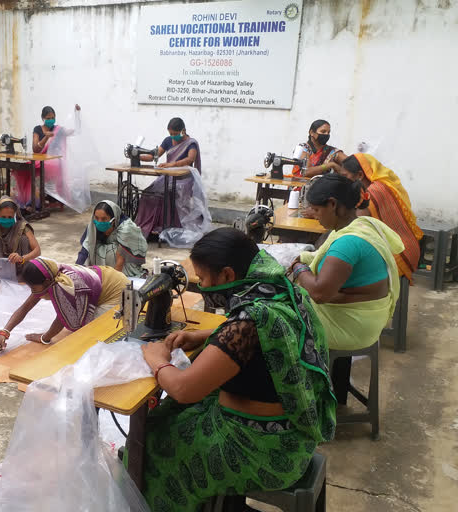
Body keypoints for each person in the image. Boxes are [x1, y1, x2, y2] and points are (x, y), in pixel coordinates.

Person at [137, 228, 336, 508]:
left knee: (148, 449)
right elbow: (267, 335)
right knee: (164, 420)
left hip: (259, 449)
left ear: (228, 275)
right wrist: (206, 334)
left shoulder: (247, 322)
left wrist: (157, 360)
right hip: (291, 437)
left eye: (204, 279)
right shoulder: (278, 290)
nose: (202, 286)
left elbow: (184, 389)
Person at [290, 174, 404, 404]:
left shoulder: (348, 242)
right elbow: (330, 262)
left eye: (316, 209)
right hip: (366, 316)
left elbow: (320, 293)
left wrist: (301, 268)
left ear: (333, 204)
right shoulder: (362, 223)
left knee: (272, 323)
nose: (314, 215)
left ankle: (294, 402)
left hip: (352, 325)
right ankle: (330, 392)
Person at [0, 257, 129, 350]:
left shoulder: (63, 286)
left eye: (33, 287)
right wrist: (4, 332)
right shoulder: (48, 275)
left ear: (46, 283)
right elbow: (25, 307)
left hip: (119, 292)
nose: (32, 291)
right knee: (76, 323)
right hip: (108, 281)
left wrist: (44, 337)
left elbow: (62, 318)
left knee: (89, 334)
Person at [338, 153, 423, 283]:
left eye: (345, 176)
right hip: (406, 245)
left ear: (360, 175)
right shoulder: (382, 184)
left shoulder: (374, 191)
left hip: (399, 252)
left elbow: (358, 223)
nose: (344, 180)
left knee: (347, 266)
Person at [134, 117, 201, 238]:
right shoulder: (167, 141)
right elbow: (154, 155)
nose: (173, 136)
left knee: (166, 194)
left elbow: (190, 159)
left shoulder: (191, 143)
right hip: (168, 175)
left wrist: (172, 164)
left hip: (184, 178)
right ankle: (150, 226)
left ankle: (168, 226)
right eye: (171, 134)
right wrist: (137, 155)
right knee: (148, 193)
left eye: (175, 134)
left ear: (183, 130)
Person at [13, 104, 81, 211]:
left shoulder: (58, 130)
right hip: (40, 160)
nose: (51, 120)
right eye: (48, 118)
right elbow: (35, 149)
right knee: (25, 170)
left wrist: (77, 114)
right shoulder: (38, 129)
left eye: (53, 118)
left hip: (54, 162)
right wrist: (46, 137)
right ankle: (33, 201)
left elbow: (76, 131)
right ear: (43, 118)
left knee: (46, 168)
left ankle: (35, 203)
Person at [75, 200, 147, 277]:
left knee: (113, 251)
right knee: (93, 248)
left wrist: (113, 281)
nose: (99, 222)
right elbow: (85, 250)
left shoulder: (126, 229)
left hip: (124, 267)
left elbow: (120, 261)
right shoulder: (93, 226)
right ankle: (100, 274)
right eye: (96, 218)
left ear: (113, 219)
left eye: (104, 219)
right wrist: (75, 271)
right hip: (105, 267)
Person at [0, 196, 40, 271]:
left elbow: (37, 250)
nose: (6, 219)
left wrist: (22, 258)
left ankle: (24, 271)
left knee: (24, 239)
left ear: (15, 215)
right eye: (3, 217)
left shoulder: (21, 226)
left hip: (18, 265)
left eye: (10, 217)